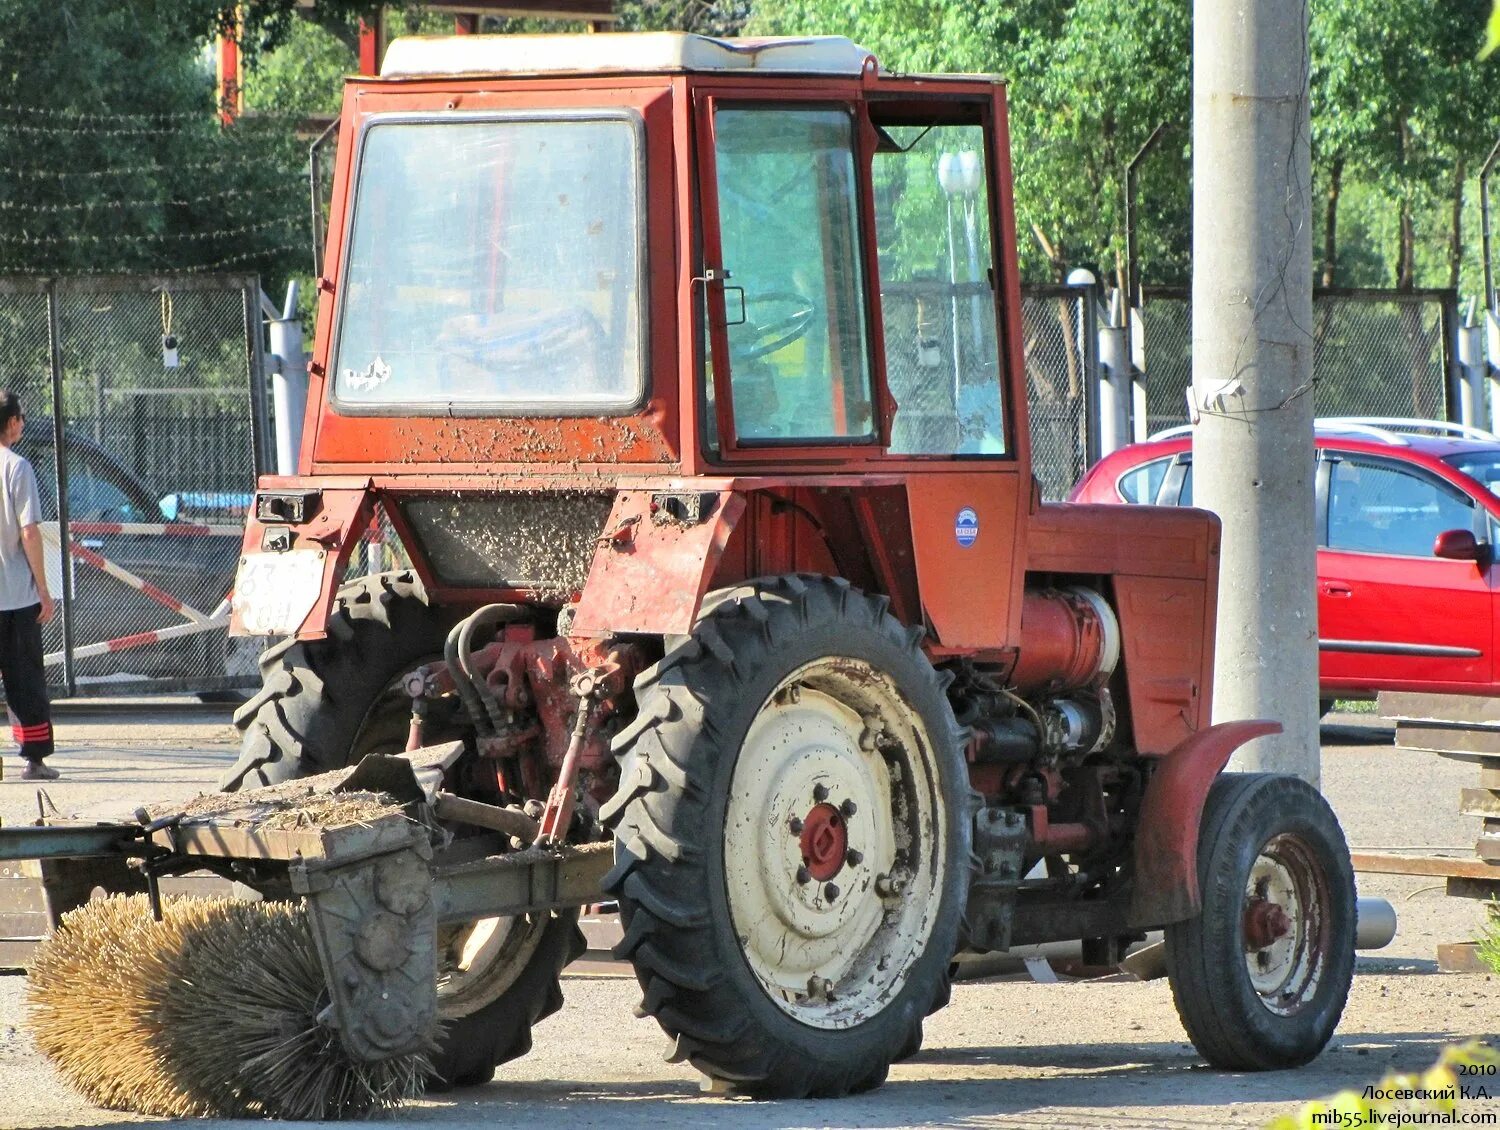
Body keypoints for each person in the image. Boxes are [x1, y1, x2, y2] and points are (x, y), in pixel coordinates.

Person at [0, 392, 56, 780]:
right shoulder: (17, 468)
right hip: (15, 595)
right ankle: (33, 758)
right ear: (13, 422)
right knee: (23, 677)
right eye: (21, 416)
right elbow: (29, 532)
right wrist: (44, 588)